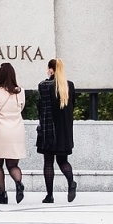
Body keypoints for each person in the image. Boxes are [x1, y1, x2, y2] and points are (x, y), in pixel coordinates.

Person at [36, 57, 76, 203]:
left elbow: (40, 108)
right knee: (63, 161)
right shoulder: (69, 86)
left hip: (49, 130)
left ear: (51, 69)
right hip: (64, 131)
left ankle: (49, 195)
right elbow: (72, 106)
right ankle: (71, 182)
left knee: (48, 162)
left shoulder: (44, 85)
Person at [0, 62, 26, 204]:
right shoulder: (20, 91)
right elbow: (21, 108)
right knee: (12, 165)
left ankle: (3, 195)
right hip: (16, 130)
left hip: (0, 130)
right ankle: (18, 183)